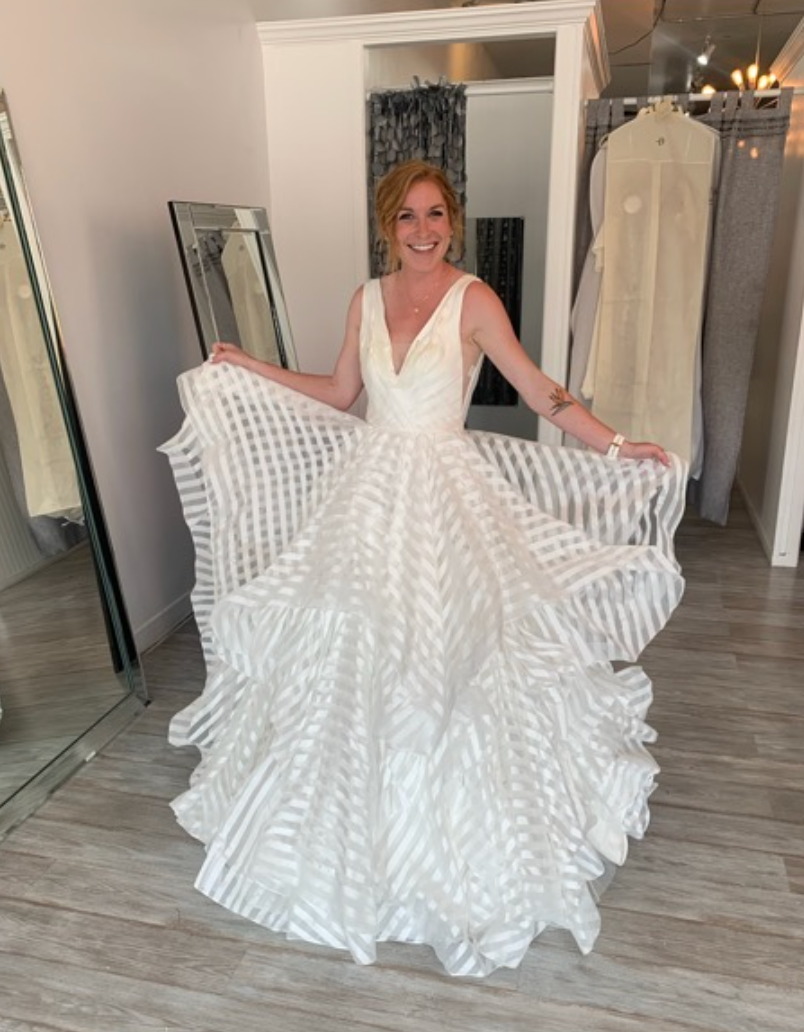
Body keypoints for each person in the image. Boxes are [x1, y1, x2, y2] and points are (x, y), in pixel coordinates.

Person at [161, 159, 686, 978]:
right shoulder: (364, 300)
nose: (422, 230)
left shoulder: (474, 300)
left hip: (446, 496)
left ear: (454, 222)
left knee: (454, 654)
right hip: (368, 497)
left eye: (436, 214)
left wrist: (619, 446)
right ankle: (339, 822)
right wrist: (249, 367)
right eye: (407, 216)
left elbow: (541, 391)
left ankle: (457, 831)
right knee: (352, 643)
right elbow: (339, 394)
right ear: (387, 223)